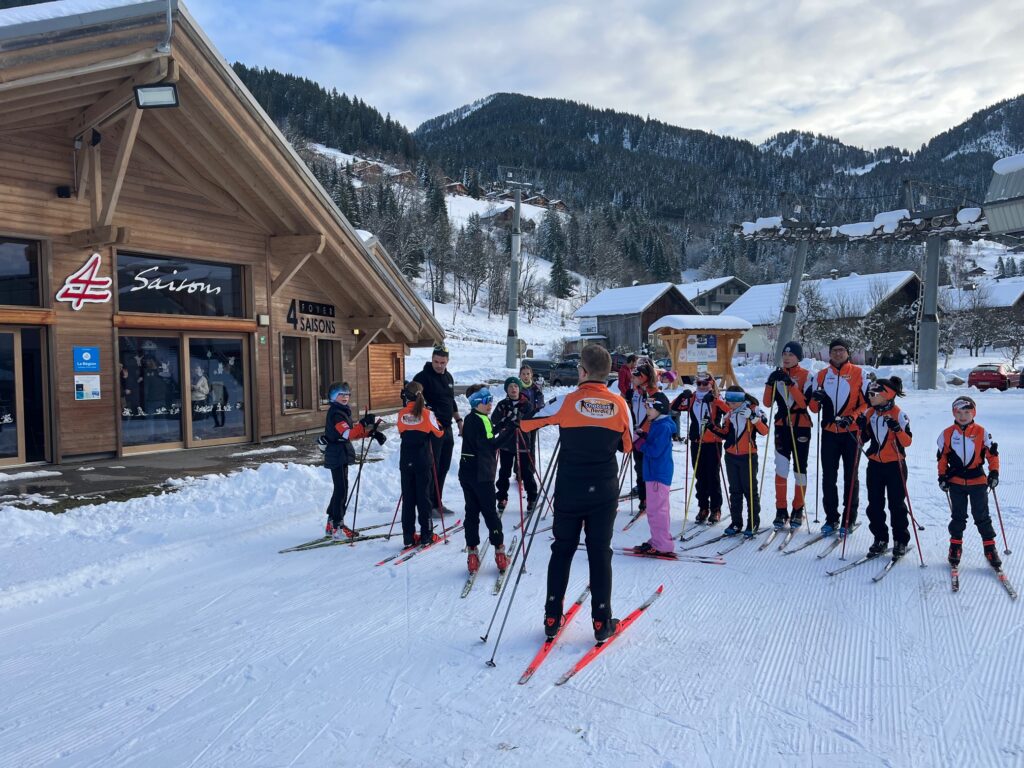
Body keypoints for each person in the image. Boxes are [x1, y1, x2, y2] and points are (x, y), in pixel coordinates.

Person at [520, 344, 632, 643]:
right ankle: (602, 621)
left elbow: (528, 423)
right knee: (600, 552)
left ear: (582, 371)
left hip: (570, 489)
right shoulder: (620, 404)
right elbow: (628, 446)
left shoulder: (566, 401)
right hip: (603, 490)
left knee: (562, 549)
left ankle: (552, 617)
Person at [807, 338, 868, 537]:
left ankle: (848, 518)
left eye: (841, 350)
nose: (838, 353)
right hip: (829, 433)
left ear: (848, 352)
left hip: (851, 432)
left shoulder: (859, 373)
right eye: (834, 350)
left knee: (851, 476)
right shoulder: (821, 375)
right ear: (829, 353)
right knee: (828, 477)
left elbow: (867, 404)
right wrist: (816, 399)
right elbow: (813, 409)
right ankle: (831, 518)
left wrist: (853, 416)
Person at [937, 396, 1002, 570]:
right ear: (954, 413)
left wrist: (994, 472)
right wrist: (942, 476)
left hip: (977, 480)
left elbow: (992, 454)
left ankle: (990, 548)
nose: (963, 416)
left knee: (981, 516)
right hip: (956, 481)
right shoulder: (947, 434)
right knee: (958, 516)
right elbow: (942, 457)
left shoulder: (982, 432)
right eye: (959, 412)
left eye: (967, 412)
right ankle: (955, 546)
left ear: (974, 413)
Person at [857, 376, 913, 560]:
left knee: (896, 505)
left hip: (895, 465)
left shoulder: (899, 414)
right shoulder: (869, 412)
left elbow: (907, 442)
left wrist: (897, 429)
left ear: (887, 395)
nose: (870, 397)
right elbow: (862, 438)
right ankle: (880, 538)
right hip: (875, 465)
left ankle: (900, 540)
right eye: (869, 393)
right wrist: (859, 427)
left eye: (874, 394)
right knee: (874, 504)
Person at [460, 385, 514, 574]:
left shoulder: (472, 418)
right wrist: (511, 430)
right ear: (476, 403)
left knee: (471, 513)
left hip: (467, 473)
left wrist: (504, 423)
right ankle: (500, 553)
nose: (490, 403)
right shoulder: (481, 420)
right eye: (485, 400)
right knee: (490, 513)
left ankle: (472, 554)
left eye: (490, 399)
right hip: (482, 475)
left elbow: (488, 433)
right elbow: (491, 444)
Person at [322, 382, 383, 539]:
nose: (345, 397)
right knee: (341, 490)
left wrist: (370, 433)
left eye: (347, 394)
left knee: (340, 489)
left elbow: (351, 433)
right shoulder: (336, 414)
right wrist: (363, 423)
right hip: (337, 454)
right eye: (341, 394)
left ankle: (331, 524)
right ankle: (337, 527)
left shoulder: (342, 411)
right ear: (333, 397)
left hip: (340, 453)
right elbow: (347, 434)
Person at [762, 341, 812, 530]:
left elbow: (804, 403)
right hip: (782, 426)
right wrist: (770, 383)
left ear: (798, 357)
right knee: (781, 468)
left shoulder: (807, 375)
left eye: (791, 355)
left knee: (800, 469)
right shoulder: (776, 375)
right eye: (784, 354)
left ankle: (798, 509)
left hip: (801, 426)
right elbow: (767, 403)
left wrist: (790, 384)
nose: (787, 357)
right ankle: (781, 510)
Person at [670, 372, 728, 524]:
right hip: (697, 442)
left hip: (713, 442)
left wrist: (715, 400)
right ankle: (703, 507)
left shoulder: (717, 398)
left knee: (712, 476)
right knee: (700, 476)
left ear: (711, 384)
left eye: (705, 383)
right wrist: (682, 396)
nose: (702, 386)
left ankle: (716, 509)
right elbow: (673, 407)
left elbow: (729, 411)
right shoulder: (693, 398)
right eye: (699, 384)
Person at [412, 345, 462, 515]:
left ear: (447, 361)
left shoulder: (448, 377)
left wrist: (459, 420)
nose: (439, 365)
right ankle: (427, 505)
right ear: (432, 359)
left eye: (442, 362)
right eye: (436, 362)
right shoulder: (422, 377)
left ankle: (437, 502)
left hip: (447, 428)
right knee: (432, 467)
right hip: (432, 429)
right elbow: (414, 402)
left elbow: (451, 401)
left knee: (443, 467)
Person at [396, 381, 445, 548]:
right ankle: (426, 535)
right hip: (422, 460)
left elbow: (401, 430)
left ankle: (408, 537)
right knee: (424, 498)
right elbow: (439, 432)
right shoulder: (427, 413)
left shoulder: (402, 413)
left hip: (406, 461)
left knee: (408, 499)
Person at [716, 387, 769, 536]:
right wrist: (710, 426)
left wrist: (753, 418)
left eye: (734, 402)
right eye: (729, 402)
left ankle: (753, 522)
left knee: (750, 490)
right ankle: (736, 523)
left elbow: (765, 431)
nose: (731, 405)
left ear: (741, 400)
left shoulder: (754, 409)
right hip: (731, 456)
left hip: (748, 456)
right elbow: (725, 433)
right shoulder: (729, 413)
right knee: (735, 491)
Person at [631, 396, 677, 556]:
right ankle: (658, 539)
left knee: (657, 511)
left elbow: (655, 450)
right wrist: (644, 435)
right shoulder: (658, 424)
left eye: (650, 408)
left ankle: (662, 544)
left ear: (660, 409)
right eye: (646, 407)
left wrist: (638, 442)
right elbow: (655, 442)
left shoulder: (663, 427)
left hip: (657, 473)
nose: (647, 411)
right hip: (654, 472)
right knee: (654, 510)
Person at [625, 360, 669, 512]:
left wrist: (642, 433)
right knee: (639, 469)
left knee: (649, 469)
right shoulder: (635, 393)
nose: (632, 378)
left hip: (649, 438)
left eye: (636, 376)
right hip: (637, 436)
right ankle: (644, 498)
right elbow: (631, 413)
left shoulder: (655, 393)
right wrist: (627, 401)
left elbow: (663, 411)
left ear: (644, 378)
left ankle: (652, 497)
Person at [492, 377, 538, 512]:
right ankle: (502, 497)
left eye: (516, 386)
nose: (513, 389)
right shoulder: (502, 404)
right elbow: (494, 419)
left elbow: (532, 422)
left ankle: (531, 498)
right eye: (510, 386)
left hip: (522, 442)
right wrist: (505, 419)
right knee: (504, 472)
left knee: (526, 472)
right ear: (506, 389)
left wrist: (520, 421)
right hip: (506, 442)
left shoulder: (527, 404)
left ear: (520, 388)